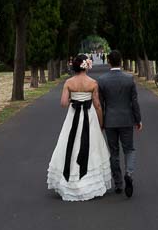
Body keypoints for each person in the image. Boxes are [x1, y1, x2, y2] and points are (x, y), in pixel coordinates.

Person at [47, 53, 112, 201]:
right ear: (87, 66)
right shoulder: (93, 83)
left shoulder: (69, 82)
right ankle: (89, 182)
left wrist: (72, 99)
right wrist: (101, 122)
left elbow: (63, 103)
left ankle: (70, 181)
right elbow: (97, 105)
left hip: (73, 116)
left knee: (70, 144)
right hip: (89, 117)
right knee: (90, 147)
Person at [97, 49, 142, 198]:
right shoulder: (129, 79)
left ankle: (118, 183)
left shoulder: (102, 80)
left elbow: (100, 105)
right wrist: (138, 119)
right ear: (121, 61)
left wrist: (101, 122)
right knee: (129, 149)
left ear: (109, 61)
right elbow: (134, 102)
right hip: (126, 119)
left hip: (110, 120)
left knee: (114, 152)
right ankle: (129, 173)